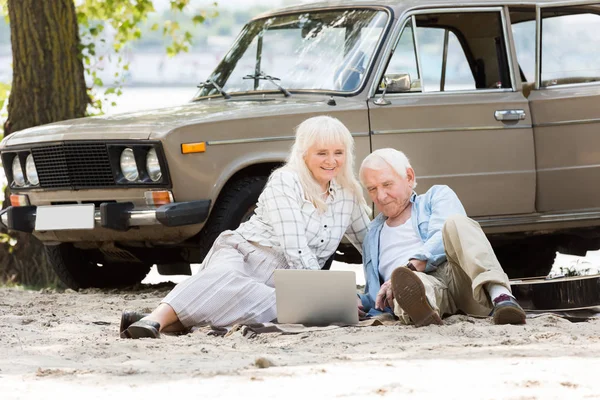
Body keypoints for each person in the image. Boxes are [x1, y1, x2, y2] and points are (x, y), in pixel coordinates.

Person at [121, 115, 371, 338]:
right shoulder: (286, 181)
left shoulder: (347, 193)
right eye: (322, 153)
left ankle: (153, 321)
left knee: (273, 305)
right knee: (224, 279)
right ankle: (155, 319)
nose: (331, 161)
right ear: (304, 153)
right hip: (246, 253)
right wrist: (326, 295)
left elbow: (369, 243)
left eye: (338, 152)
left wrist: (382, 285)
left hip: (283, 279)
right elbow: (295, 248)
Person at [357, 148, 526, 326]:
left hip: (461, 281)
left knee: (456, 222)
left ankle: (501, 297)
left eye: (387, 185)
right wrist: (357, 302)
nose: (381, 196)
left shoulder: (436, 196)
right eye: (372, 189)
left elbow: (440, 238)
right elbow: (376, 293)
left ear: (409, 177)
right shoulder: (372, 235)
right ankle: (421, 310)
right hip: (425, 289)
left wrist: (412, 265)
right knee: (408, 287)